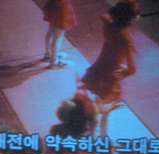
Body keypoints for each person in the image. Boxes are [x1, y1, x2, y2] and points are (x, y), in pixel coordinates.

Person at [80, 1, 139, 137]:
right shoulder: (126, 39)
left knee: (98, 99)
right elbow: (132, 69)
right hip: (111, 74)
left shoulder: (109, 27)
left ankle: (92, 129)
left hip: (99, 68)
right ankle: (102, 136)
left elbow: (104, 16)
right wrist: (122, 73)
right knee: (105, 110)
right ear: (131, 19)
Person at [42, 0, 76, 69]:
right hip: (61, 12)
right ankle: (54, 62)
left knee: (51, 33)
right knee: (57, 39)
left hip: (54, 9)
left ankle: (49, 54)